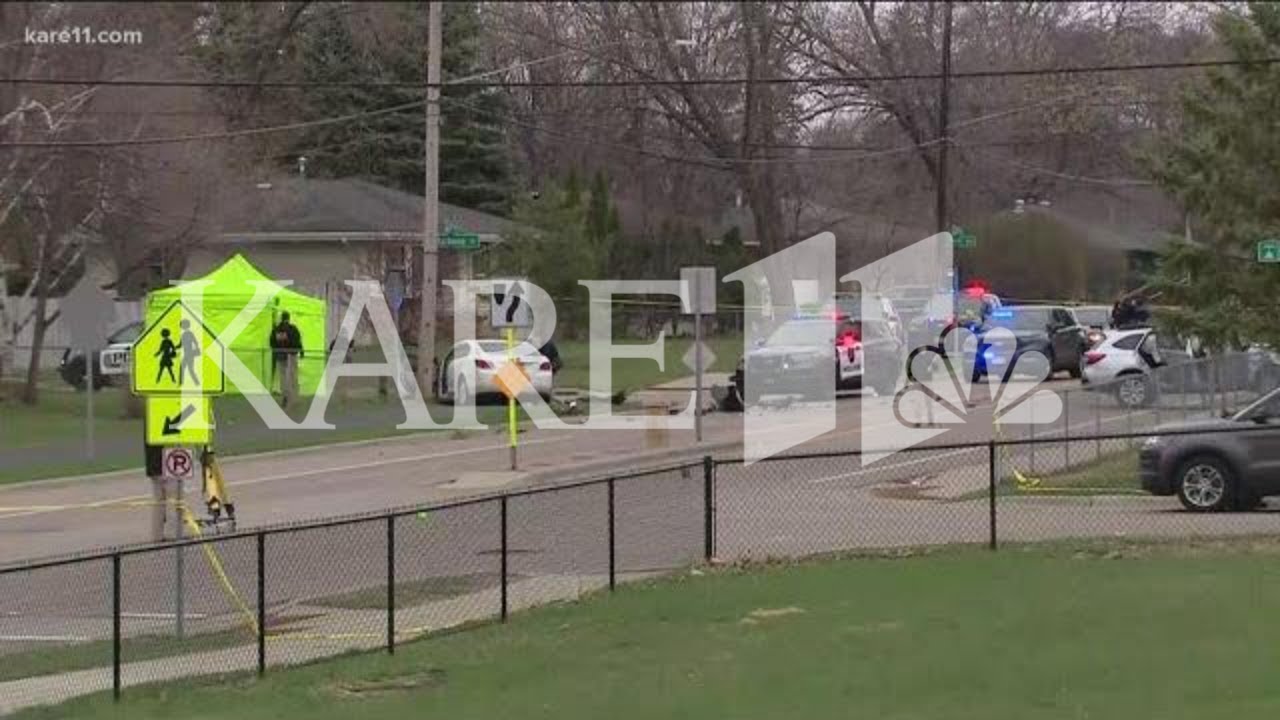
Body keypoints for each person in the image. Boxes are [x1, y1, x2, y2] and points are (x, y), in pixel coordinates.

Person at [270, 311, 304, 407]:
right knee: (293, 375)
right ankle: (294, 396)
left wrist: (276, 350)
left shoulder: (276, 329)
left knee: (283, 376)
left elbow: (272, 342)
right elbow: (298, 340)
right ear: (288, 318)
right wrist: (301, 351)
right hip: (292, 355)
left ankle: (285, 394)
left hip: (280, 355)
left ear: (281, 318)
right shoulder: (292, 328)